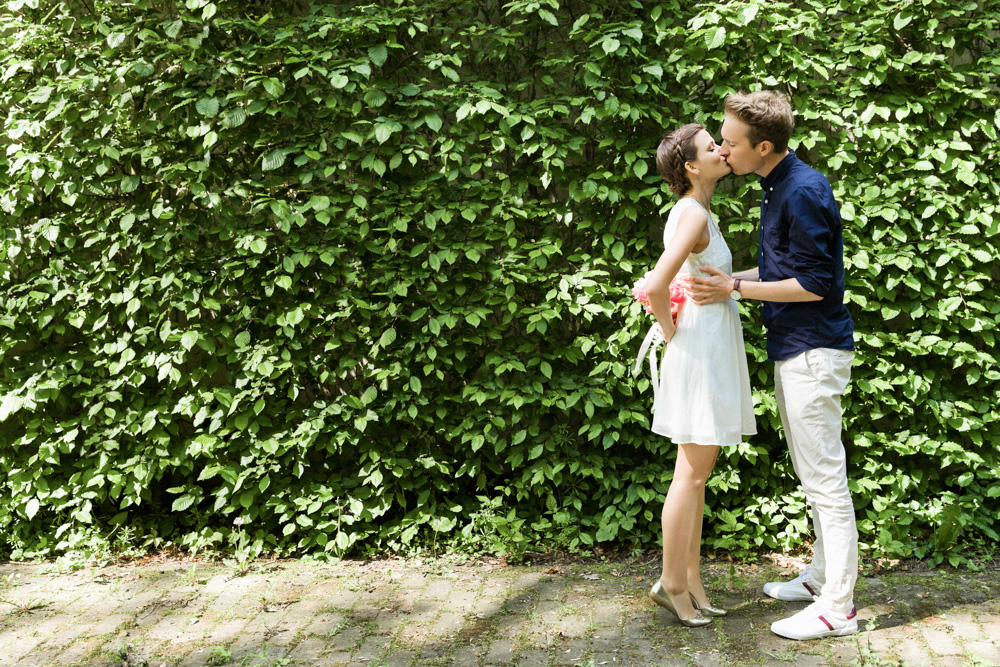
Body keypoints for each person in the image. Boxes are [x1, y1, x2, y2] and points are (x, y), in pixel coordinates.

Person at [687, 90, 859, 640]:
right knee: (813, 476)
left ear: (764, 146)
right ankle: (820, 578)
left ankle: (839, 608)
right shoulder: (776, 186)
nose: (723, 149)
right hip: (795, 347)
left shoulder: (803, 191)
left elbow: (814, 284)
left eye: (731, 143)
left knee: (826, 480)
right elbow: (789, 273)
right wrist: (733, 286)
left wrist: (735, 286)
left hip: (814, 349)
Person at [639, 123, 756, 627]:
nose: (723, 150)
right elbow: (655, 283)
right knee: (689, 475)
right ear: (691, 166)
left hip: (707, 343)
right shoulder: (692, 214)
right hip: (700, 348)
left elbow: (706, 279)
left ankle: (693, 582)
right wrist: (670, 333)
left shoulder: (699, 212)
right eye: (712, 147)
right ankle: (672, 584)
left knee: (697, 475)